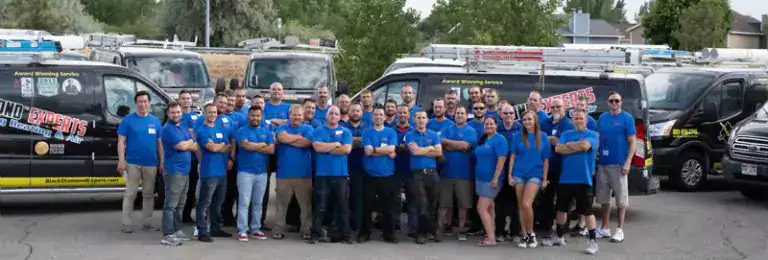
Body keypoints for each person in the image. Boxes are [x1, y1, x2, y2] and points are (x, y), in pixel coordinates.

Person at [552, 110, 600, 255]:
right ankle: (559, 237)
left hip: (583, 179)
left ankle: (592, 242)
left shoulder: (592, 135)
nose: (578, 120)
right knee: (561, 209)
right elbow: (558, 148)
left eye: (581, 118)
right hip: (566, 178)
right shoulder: (566, 134)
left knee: (587, 211)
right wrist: (577, 145)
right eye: (576, 118)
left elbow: (585, 146)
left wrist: (570, 145)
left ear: (586, 120)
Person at [117, 90, 164, 234]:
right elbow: (120, 141)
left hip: (151, 163)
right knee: (130, 194)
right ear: (136, 104)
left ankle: (147, 223)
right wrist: (121, 160)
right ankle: (126, 224)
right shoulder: (128, 120)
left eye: (145, 101)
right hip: (133, 163)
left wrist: (162, 162)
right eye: (140, 102)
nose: (142, 104)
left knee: (149, 195)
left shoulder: (155, 121)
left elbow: (159, 144)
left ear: (149, 103)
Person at [310, 106, 354, 244]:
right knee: (320, 206)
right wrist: (335, 144)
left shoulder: (346, 132)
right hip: (322, 174)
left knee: (342, 206)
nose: (333, 116)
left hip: (340, 174)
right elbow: (317, 147)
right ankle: (316, 234)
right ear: (326, 116)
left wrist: (326, 148)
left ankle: (345, 234)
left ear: (340, 117)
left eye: (336, 113)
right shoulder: (317, 131)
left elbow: (346, 149)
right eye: (331, 113)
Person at [596, 92, 636, 243]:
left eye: (616, 101)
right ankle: (605, 228)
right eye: (611, 101)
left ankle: (620, 229)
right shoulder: (603, 118)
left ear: (621, 102)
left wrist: (628, 162)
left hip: (619, 165)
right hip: (603, 164)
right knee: (603, 198)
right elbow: (599, 138)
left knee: (621, 200)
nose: (614, 103)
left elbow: (633, 142)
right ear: (607, 102)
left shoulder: (627, 118)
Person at [508, 111, 551, 248]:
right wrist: (510, 174)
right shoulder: (517, 136)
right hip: (519, 174)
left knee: (527, 204)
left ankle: (531, 233)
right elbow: (513, 157)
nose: (527, 122)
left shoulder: (543, 137)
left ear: (535, 121)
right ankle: (525, 235)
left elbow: (545, 160)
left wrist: (544, 178)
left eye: (529, 119)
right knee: (521, 205)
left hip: (535, 174)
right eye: (524, 119)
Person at [358, 106, 400, 244]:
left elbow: (392, 149)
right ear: (372, 117)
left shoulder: (391, 132)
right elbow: (367, 152)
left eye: (381, 114)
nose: (378, 117)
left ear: (384, 117)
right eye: (376, 114)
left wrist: (376, 149)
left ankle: (389, 234)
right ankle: (365, 233)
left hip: (387, 175)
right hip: (370, 175)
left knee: (388, 207)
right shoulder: (367, 132)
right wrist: (385, 150)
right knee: (367, 206)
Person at [273, 105, 314, 240]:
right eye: (294, 115)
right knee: (281, 205)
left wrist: (290, 139)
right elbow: (281, 138)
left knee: (305, 206)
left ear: (303, 116)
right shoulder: (282, 128)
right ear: (289, 116)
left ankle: (306, 230)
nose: (297, 117)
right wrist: (297, 137)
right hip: (284, 172)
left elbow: (306, 143)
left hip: (304, 173)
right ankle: (279, 229)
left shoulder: (308, 128)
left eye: (299, 115)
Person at [235, 105, 275, 242]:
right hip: (245, 172)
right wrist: (262, 145)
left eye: (258, 115)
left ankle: (256, 229)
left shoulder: (267, 131)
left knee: (258, 203)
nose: (255, 118)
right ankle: (242, 230)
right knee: (244, 202)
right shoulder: (242, 130)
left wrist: (255, 146)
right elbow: (246, 145)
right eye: (252, 115)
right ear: (248, 116)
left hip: (262, 173)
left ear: (261, 117)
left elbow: (271, 150)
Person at [159, 102, 197, 246]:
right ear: (168, 114)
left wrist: (187, 143)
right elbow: (181, 146)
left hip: (184, 170)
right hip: (174, 171)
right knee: (171, 204)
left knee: (181, 204)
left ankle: (176, 230)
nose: (176, 115)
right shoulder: (167, 129)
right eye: (173, 112)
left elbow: (193, 143)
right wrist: (187, 144)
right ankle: (168, 234)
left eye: (178, 112)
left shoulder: (182, 125)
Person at [536, 98, 573, 245]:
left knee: (563, 200)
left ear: (564, 108)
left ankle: (563, 228)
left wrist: (553, 139)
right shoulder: (545, 122)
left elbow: (563, 144)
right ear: (549, 109)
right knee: (546, 199)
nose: (556, 109)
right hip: (547, 167)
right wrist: (554, 139)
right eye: (554, 107)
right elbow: (541, 140)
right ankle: (546, 227)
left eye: (559, 106)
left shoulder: (568, 124)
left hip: (563, 167)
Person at [195, 103, 233, 242]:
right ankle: (202, 231)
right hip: (209, 172)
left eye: (214, 112)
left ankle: (215, 229)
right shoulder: (202, 131)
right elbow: (210, 148)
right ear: (205, 113)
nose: (213, 114)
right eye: (210, 112)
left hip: (221, 171)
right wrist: (219, 146)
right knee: (204, 202)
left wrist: (219, 146)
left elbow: (228, 147)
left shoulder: (221, 129)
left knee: (218, 203)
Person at [438, 107, 477, 241]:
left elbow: (465, 146)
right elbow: (440, 143)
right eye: (457, 113)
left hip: (464, 173)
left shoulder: (471, 131)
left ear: (466, 116)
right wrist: (457, 146)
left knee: (463, 204)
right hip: (446, 172)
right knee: (444, 203)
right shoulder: (447, 128)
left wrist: (449, 143)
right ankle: (442, 228)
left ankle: (461, 229)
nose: (459, 115)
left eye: (462, 113)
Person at [405, 110, 443, 244]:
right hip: (418, 174)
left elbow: (439, 152)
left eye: (423, 118)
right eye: (418, 118)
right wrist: (430, 148)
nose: (421, 120)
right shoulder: (410, 135)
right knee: (421, 204)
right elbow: (415, 152)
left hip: (432, 173)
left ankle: (428, 231)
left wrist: (424, 149)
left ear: (427, 120)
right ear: (414, 119)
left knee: (432, 204)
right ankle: (427, 231)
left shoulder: (433, 134)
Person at [472, 116, 508, 247]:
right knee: (490, 207)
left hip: (491, 180)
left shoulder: (500, 139)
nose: (488, 126)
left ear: (496, 125)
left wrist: (496, 178)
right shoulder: (483, 139)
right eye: (486, 124)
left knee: (481, 208)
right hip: (480, 178)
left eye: (491, 124)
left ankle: (491, 239)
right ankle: (490, 234)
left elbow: (501, 159)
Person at [495, 104, 522, 242]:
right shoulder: (496, 129)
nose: (508, 116)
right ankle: (499, 232)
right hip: (499, 171)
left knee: (516, 203)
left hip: (517, 171)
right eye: (505, 113)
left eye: (511, 113)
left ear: (514, 114)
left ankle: (515, 232)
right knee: (500, 204)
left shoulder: (521, 129)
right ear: (501, 115)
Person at [341, 102, 368, 232]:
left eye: (358, 111)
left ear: (362, 113)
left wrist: (350, 141)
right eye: (353, 111)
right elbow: (342, 143)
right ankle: (343, 225)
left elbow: (367, 141)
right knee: (343, 198)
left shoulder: (367, 127)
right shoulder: (342, 126)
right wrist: (359, 141)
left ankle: (357, 226)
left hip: (361, 168)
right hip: (343, 167)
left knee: (358, 198)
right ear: (348, 112)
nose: (355, 113)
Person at [393, 104, 417, 236]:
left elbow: (414, 148)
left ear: (409, 115)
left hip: (410, 169)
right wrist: (404, 148)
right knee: (395, 199)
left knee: (412, 199)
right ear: (397, 114)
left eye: (405, 113)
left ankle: (413, 228)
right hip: (395, 169)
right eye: (400, 113)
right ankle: (395, 224)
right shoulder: (391, 130)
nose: (402, 115)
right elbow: (392, 148)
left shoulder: (414, 131)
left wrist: (402, 148)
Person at [178, 90, 200, 223]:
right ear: (179, 101)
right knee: (181, 188)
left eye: (188, 98)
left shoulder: (196, 117)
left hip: (194, 158)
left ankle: (186, 215)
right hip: (182, 158)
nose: (186, 101)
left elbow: (196, 134)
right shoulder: (177, 117)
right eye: (183, 98)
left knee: (191, 188)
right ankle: (178, 214)